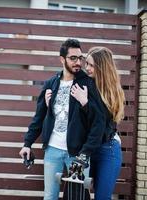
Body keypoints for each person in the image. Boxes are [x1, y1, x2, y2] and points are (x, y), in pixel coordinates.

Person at [19, 39, 106, 200]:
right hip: (52, 151)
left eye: (80, 58)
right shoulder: (50, 84)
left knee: (77, 197)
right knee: (50, 196)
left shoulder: (88, 84)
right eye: (73, 58)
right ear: (62, 59)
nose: (78, 62)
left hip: (78, 154)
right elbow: (39, 117)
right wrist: (27, 143)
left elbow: (98, 122)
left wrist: (85, 152)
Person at [71, 46, 124, 199]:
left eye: (91, 65)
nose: (87, 68)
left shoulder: (112, 91)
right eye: (86, 63)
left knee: (102, 197)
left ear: (102, 68)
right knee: (80, 195)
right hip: (89, 148)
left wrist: (85, 103)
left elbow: (100, 122)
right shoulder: (88, 84)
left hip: (108, 150)